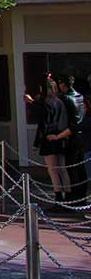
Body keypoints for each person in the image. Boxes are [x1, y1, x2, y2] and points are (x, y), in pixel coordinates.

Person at [37, 77, 72, 204]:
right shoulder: (60, 101)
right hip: (61, 136)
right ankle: (68, 196)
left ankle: (58, 197)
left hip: (50, 138)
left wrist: (42, 138)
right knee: (62, 168)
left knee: (52, 169)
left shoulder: (46, 103)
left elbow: (43, 123)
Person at [55, 74, 87, 203]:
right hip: (81, 136)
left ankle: (73, 197)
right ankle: (82, 196)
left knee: (71, 168)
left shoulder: (65, 98)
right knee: (80, 168)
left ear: (63, 84)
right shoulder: (80, 96)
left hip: (71, 136)